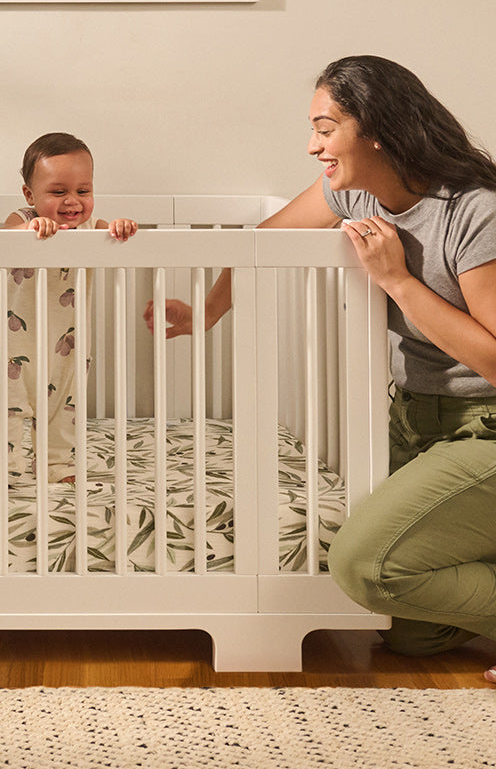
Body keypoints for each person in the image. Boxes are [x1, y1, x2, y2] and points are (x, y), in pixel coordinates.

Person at [145, 55, 496, 682]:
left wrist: (399, 282)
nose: (312, 146)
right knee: (412, 633)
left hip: (486, 423)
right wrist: (205, 313)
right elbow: (265, 241)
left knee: (368, 567)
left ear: (378, 129)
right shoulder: (352, 190)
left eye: (325, 128)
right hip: (417, 419)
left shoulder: (472, 210)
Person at [0, 132, 137, 496]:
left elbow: (111, 233)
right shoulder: (22, 220)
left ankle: (58, 464)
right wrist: (30, 228)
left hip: (66, 341)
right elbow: (9, 235)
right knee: (4, 406)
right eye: (58, 191)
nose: (72, 202)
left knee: (65, 404)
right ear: (30, 195)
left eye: (83, 191)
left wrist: (121, 227)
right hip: (8, 341)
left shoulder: (91, 229)